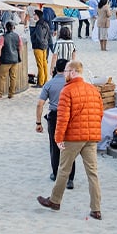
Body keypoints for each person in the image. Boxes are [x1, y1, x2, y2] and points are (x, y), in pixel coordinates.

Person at [37, 60, 103, 220]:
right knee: (92, 173)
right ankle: (96, 209)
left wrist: (58, 137)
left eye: (66, 72)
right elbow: (100, 112)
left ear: (73, 72)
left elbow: (62, 117)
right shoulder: (93, 89)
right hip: (91, 136)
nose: (64, 74)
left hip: (74, 136)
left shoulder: (67, 91)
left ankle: (55, 200)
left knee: (63, 169)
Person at [35, 58, 76, 190]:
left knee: (55, 145)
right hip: (69, 115)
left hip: (54, 115)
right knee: (69, 147)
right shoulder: (70, 84)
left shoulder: (49, 84)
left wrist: (38, 122)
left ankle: (56, 173)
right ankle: (70, 179)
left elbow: (40, 104)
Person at [0, 21, 23, 99]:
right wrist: (19, 56)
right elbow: (20, 47)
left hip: (5, 60)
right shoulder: (17, 36)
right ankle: (11, 94)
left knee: (1, 77)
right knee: (13, 77)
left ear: (6, 28)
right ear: (13, 28)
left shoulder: (3, 37)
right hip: (15, 59)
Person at [30, 10, 52, 87]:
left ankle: (40, 82)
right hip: (45, 46)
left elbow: (39, 37)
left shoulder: (39, 25)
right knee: (44, 63)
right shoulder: (46, 23)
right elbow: (49, 35)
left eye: (34, 15)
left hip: (38, 46)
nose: (33, 16)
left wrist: (35, 41)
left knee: (40, 65)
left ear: (37, 15)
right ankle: (45, 80)